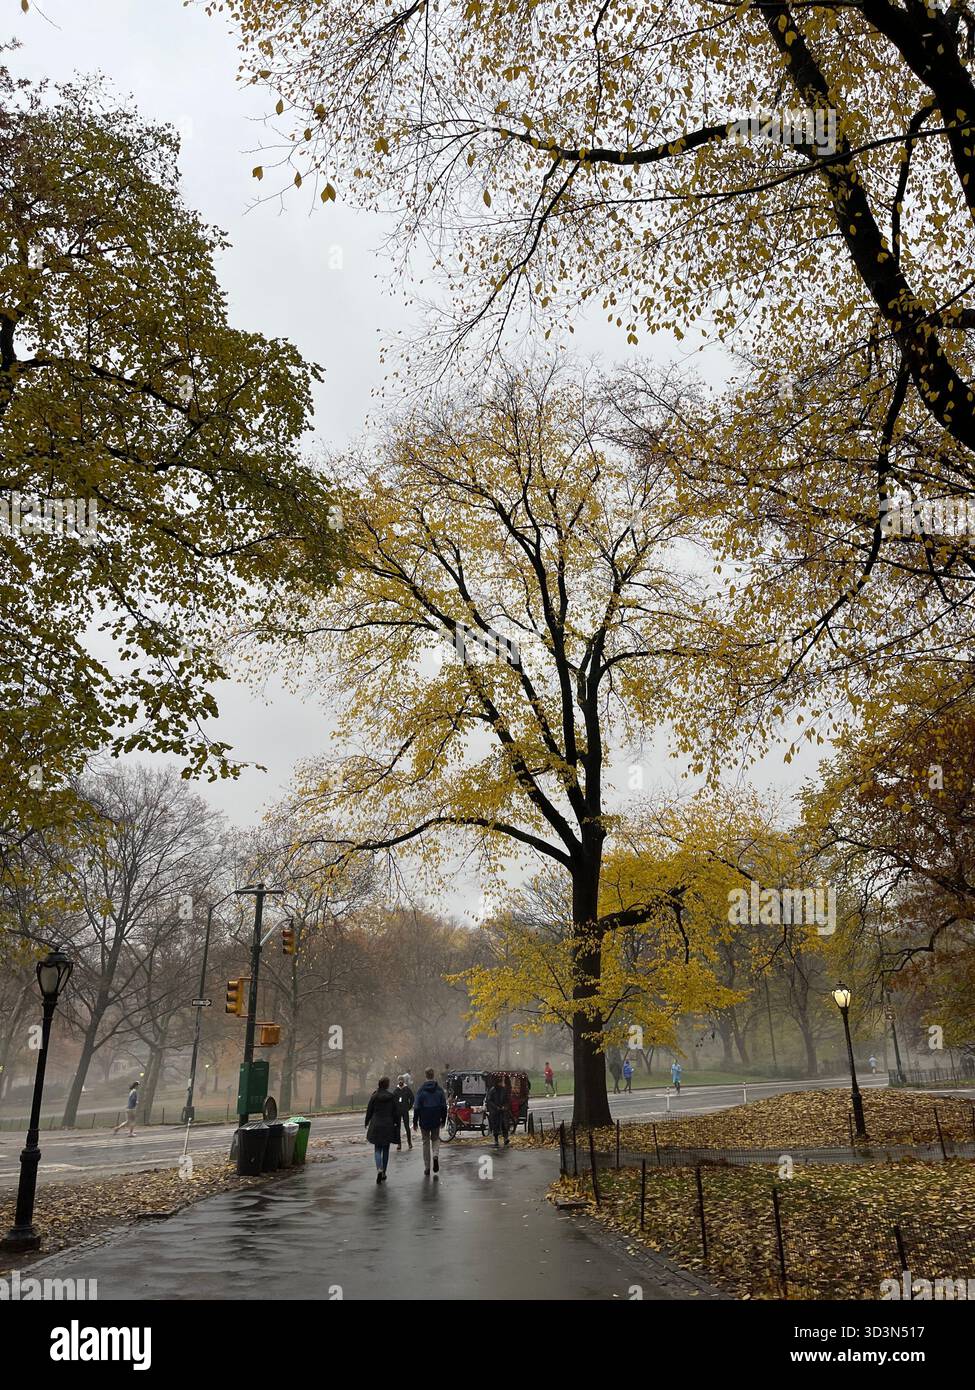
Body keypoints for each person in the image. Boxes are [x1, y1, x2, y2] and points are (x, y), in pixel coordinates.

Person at [413, 1067, 448, 1176]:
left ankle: (427, 1167)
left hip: (424, 1118)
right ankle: (435, 1155)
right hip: (436, 1117)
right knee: (435, 1139)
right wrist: (443, 1118)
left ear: (426, 1075)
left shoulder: (421, 1090)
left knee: (425, 1142)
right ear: (433, 1075)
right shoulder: (439, 1090)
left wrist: (415, 1121)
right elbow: (444, 1106)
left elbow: (417, 1107)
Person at [365, 1076, 399, 1183]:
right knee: (386, 1149)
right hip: (388, 1124)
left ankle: (378, 1169)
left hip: (376, 1124)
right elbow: (395, 1112)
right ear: (387, 1085)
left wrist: (366, 1122)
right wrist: (397, 1123)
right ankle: (384, 1172)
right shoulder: (391, 1097)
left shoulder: (374, 1096)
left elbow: (369, 1110)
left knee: (377, 1149)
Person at [485, 1073, 512, 1148]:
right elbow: (489, 1100)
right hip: (495, 1111)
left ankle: (505, 1138)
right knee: (495, 1125)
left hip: (502, 1110)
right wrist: (495, 1107)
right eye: (500, 1082)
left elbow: (507, 1099)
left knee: (504, 1125)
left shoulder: (504, 1090)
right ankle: (496, 1139)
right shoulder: (492, 1090)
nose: (501, 1084)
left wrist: (505, 1107)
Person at [394, 1074, 415, 1150]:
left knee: (407, 1127)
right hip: (398, 1112)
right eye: (399, 1080)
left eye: (401, 1080)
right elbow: (393, 1101)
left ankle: (409, 1143)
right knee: (398, 1128)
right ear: (398, 1081)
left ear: (403, 1081)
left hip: (405, 1111)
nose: (400, 1081)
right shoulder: (396, 1091)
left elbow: (412, 1098)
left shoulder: (407, 1089)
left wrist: (408, 1107)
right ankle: (399, 1144)